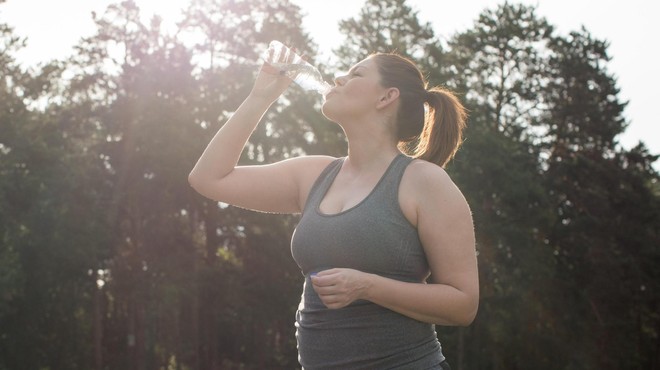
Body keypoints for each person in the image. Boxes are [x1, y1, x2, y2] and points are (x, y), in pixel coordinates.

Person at [188, 44, 479, 369]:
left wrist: (367, 286)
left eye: (356, 73)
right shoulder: (313, 175)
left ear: (386, 97)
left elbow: (463, 304)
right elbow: (208, 179)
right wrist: (260, 97)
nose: (339, 78)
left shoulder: (425, 182)